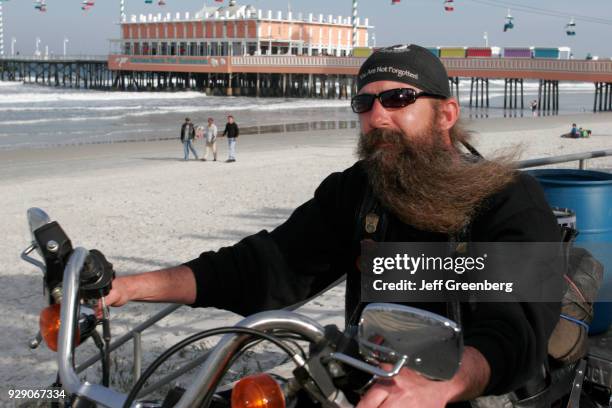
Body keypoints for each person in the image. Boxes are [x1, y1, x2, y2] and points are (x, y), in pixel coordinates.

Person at [105, 45, 562, 407]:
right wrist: (129, 288)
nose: (376, 116)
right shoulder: (359, 190)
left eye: (398, 99)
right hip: (363, 383)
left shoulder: (506, 198)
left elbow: (518, 330)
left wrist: (442, 385)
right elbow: (265, 268)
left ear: (446, 114)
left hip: (468, 394)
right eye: (364, 101)